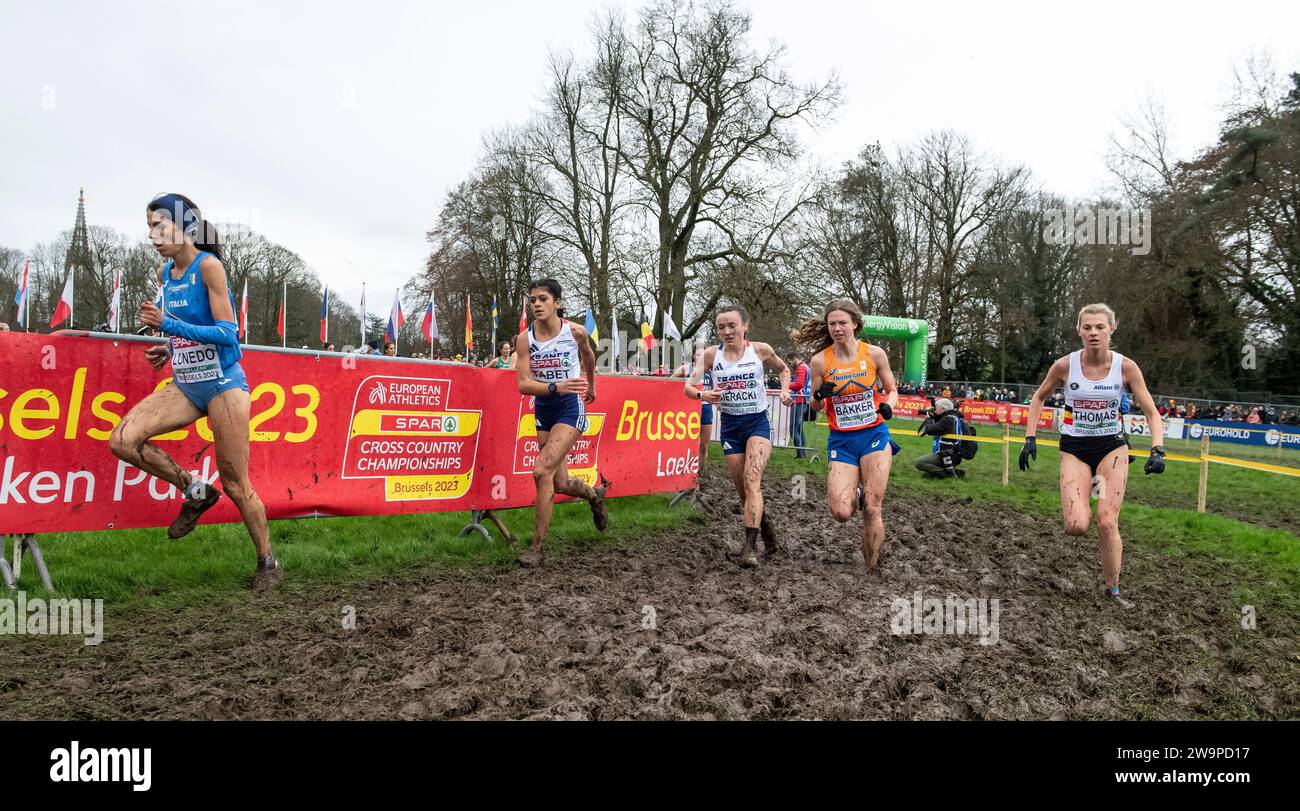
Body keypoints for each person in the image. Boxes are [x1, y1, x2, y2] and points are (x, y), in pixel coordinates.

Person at [109, 193, 281, 590]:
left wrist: (169, 326)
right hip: (186, 384)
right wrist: (167, 348)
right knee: (122, 440)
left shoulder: (210, 267)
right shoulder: (163, 274)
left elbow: (228, 335)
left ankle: (267, 562)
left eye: (159, 226)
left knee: (236, 484)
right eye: (148, 227)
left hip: (223, 385)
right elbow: (183, 326)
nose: (152, 235)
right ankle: (196, 490)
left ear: (186, 227)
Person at [1019, 303, 1165, 605]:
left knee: (1107, 520)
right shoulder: (1064, 365)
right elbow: (1038, 397)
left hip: (1112, 447)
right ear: (1079, 331)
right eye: (1087, 327)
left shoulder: (1126, 367)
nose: (1093, 333)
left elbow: (1151, 411)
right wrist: (1029, 438)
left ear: (1111, 329)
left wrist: (1157, 448)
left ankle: (1113, 589)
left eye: (1100, 327)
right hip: (1074, 448)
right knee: (1077, 526)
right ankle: (1088, 490)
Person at [796, 298, 900, 570]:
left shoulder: (875, 354)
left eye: (843, 322)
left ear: (855, 323)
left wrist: (889, 405)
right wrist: (819, 395)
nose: (837, 328)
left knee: (872, 508)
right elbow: (814, 405)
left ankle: (871, 566)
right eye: (832, 324)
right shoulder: (820, 361)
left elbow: (892, 389)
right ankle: (855, 488)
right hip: (841, 440)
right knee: (841, 511)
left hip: (873, 435)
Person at [684, 306, 791, 567]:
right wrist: (703, 395)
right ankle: (770, 537)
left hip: (757, 423)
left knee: (752, 480)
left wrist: (786, 391)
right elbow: (688, 386)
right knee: (744, 492)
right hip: (730, 427)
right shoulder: (711, 355)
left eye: (732, 326)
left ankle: (749, 550)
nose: (727, 332)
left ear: (745, 326)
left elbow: (784, 369)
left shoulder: (760, 350)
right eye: (721, 327)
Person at [514, 278, 608, 568]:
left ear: (557, 302)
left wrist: (590, 386)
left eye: (543, 299)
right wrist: (556, 386)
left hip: (571, 407)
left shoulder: (575, 332)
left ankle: (537, 548)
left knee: (541, 470)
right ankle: (594, 496)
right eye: (532, 300)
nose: (536, 305)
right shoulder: (524, 339)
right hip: (546, 406)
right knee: (561, 482)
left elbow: (589, 355)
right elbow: (523, 385)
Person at [672, 343, 715, 491]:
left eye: (703, 354)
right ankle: (681, 471)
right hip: (688, 411)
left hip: (706, 409)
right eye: (698, 354)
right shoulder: (686, 368)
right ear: (693, 356)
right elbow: (668, 381)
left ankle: (700, 474)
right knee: (686, 443)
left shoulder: (711, 370)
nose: (700, 357)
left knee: (703, 445)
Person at [914, 398, 965, 478]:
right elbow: (940, 428)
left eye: (937, 408)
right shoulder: (954, 417)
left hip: (947, 455)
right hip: (954, 454)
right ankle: (951, 470)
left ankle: (947, 473)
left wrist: (928, 419)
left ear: (943, 409)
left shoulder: (947, 419)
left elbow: (930, 430)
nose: (935, 411)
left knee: (919, 463)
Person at [786, 351, 811, 458]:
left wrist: (786, 384)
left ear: (794, 359)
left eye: (789, 362)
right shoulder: (807, 367)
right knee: (799, 430)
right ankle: (802, 454)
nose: (789, 365)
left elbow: (799, 384)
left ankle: (800, 454)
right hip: (803, 402)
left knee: (793, 430)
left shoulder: (801, 368)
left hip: (799, 402)